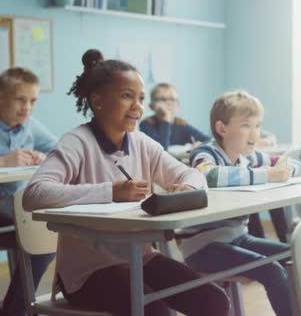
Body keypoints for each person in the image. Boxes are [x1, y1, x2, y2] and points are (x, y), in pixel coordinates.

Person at [23, 49, 229, 316]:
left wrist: (188, 187)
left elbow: (192, 174)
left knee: (213, 300)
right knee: (153, 309)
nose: (138, 106)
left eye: (141, 98)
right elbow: (34, 194)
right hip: (87, 274)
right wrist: (111, 192)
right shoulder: (77, 142)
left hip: (140, 258)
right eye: (126, 96)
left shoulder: (142, 142)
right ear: (97, 101)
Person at [184, 90, 301, 316]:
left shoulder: (249, 156)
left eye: (258, 125)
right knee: (271, 270)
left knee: (297, 255)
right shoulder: (205, 153)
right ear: (222, 129)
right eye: (247, 125)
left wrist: (286, 170)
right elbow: (208, 175)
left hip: (238, 237)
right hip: (203, 247)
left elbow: (292, 163)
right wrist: (266, 175)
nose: (255, 133)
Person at [0, 67, 57, 316]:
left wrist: (43, 157)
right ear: (1, 97)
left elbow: (61, 149)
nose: (27, 108)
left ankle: (14, 310)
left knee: (46, 232)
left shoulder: (30, 126)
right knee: (36, 220)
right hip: (7, 208)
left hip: (17, 208)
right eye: (20, 100)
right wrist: (4, 161)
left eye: (33, 101)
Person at [139, 82, 210, 149]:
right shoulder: (146, 125)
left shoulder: (181, 125)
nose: (167, 103)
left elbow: (209, 141)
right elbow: (161, 150)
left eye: (171, 99)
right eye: (161, 99)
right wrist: (165, 120)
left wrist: (200, 145)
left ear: (178, 105)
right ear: (151, 106)